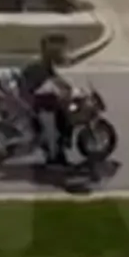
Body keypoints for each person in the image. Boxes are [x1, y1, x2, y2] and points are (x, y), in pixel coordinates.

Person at [15, 33, 74, 165]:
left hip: (35, 97)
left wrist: (68, 87)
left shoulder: (45, 63)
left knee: (59, 113)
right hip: (31, 100)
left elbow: (55, 78)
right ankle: (53, 158)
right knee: (51, 128)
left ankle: (56, 149)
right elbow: (45, 82)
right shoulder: (38, 65)